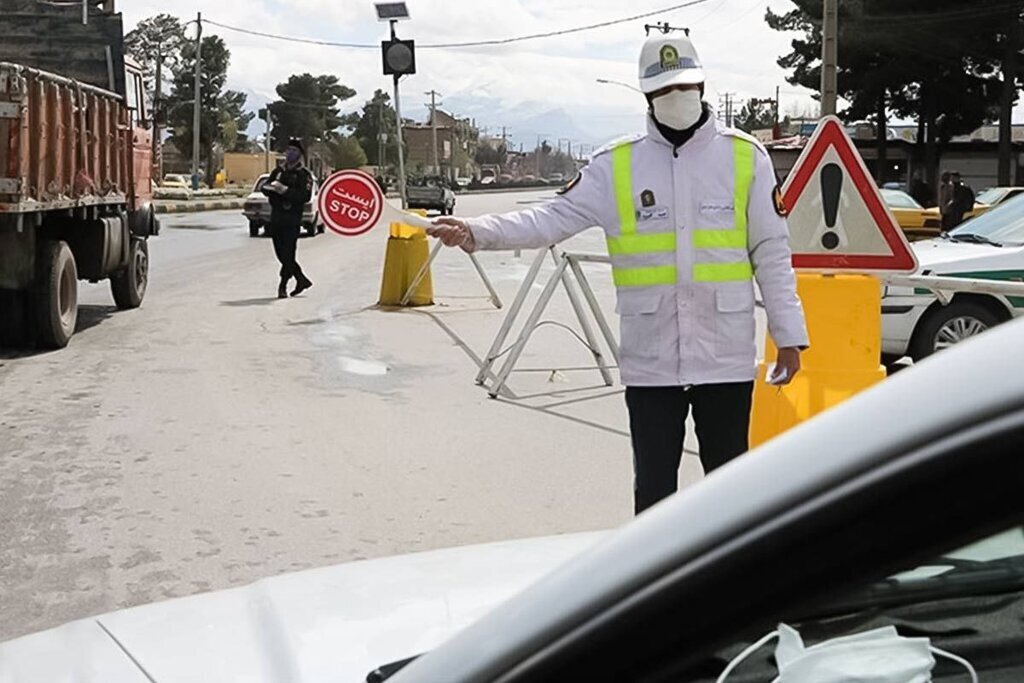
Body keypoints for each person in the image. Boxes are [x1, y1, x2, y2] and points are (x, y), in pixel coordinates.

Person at [428, 29, 809, 514]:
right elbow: (549, 219)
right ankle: (656, 584)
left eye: (685, 87)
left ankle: (733, 587)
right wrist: (477, 230)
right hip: (651, 359)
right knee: (652, 492)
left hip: (725, 355)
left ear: (702, 87)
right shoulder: (616, 165)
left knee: (732, 492)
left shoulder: (743, 157)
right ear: (647, 95)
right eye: (665, 90)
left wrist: (788, 334)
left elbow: (771, 251)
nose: (677, 97)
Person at [263, 138, 314, 299]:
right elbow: (267, 187)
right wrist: (272, 189)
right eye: (289, 150)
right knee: (280, 254)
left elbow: (304, 196)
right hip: (277, 218)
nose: (290, 154)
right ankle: (301, 279)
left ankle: (283, 286)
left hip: (292, 220)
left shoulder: (304, 175)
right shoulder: (278, 171)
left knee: (288, 254)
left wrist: (285, 191)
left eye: (294, 151)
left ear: (300, 155)